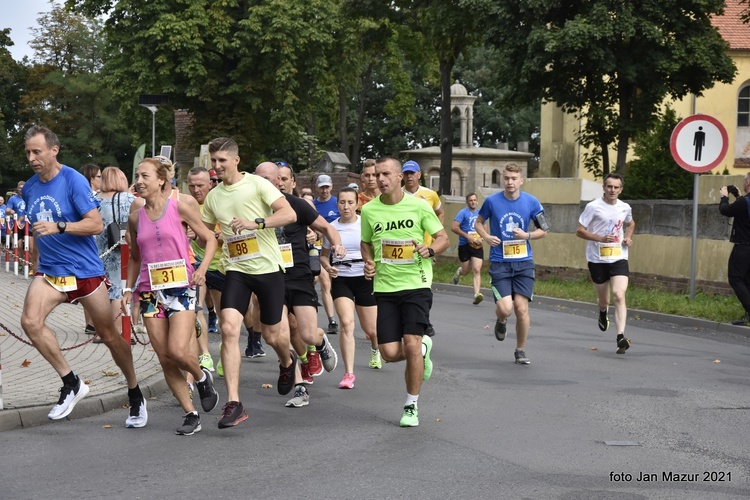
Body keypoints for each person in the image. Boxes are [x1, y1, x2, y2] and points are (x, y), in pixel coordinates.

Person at [19, 125, 147, 426]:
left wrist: (61, 227)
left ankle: (135, 391)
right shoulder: (30, 188)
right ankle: (71, 382)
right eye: (27, 152)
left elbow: (94, 225)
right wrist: (35, 264)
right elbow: (38, 230)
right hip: (50, 272)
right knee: (30, 322)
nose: (32, 158)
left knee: (109, 335)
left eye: (37, 151)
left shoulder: (73, 180)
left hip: (85, 272)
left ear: (54, 150)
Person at [201, 137, 298, 429]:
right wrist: (197, 236)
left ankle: (287, 361)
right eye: (213, 161)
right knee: (229, 328)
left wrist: (257, 222)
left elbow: (288, 213)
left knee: (272, 336)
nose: (217, 166)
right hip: (235, 270)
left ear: (235, 160)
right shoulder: (213, 197)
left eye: (222, 161)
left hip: (267, 267)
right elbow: (206, 231)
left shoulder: (257, 184)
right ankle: (234, 402)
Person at [123, 158, 220, 435]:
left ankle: (202, 378)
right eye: (137, 176)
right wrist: (129, 292)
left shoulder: (179, 208)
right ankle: (190, 413)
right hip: (151, 291)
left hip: (181, 287)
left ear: (161, 180)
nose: (139, 181)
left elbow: (210, 238)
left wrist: (201, 269)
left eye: (145, 176)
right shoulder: (134, 217)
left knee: (178, 351)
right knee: (165, 358)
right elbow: (134, 258)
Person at [360, 156, 449, 427]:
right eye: (377, 174)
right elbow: (366, 244)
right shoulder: (369, 210)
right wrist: (369, 261)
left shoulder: (420, 206)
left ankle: (411, 406)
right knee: (388, 353)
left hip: (416, 285)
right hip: (385, 288)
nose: (380, 179)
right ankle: (423, 349)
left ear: (400, 177)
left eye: (386, 174)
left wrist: (430, 249)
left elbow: (443, 238)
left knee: (409, 343)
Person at [255, 162, 343, 408]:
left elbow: (326, 227)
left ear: (287, 182)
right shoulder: (253, 207)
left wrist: (336, 244)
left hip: (299, 276)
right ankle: (299, 387)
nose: (278, 183)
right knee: (279, 335)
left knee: (306, 333)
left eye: (282, 179)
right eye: (273, 179)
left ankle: (321, 341)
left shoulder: (297, 205)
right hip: (271, 277)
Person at [474, 163, 548, 365]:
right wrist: (487, 237)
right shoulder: (491, 202)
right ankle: (502, 319)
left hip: (524, 262)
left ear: (521, 181)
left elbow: (545, 229)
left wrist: (528, 235)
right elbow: (478, 223)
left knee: (522, 309)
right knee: (506, 308)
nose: (510, 182)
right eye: (506, 178)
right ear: (503, 180)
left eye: (514, 178)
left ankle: (520, 350)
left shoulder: (531, 202)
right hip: (500, 262)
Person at [322, 187, 380, 390]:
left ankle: (375, 348)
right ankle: (349, 374)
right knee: (347, 324)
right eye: (342, 202)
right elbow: (323, 255)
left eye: (350, 202)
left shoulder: (366, 224)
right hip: (342, 279)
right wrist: (329, 267)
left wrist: (372, 265)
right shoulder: (331, 227)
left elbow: (376, 251)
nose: (345, 206)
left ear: (357, 204)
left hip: (364, 279)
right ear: (337, 204)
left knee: (371, 329)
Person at [576, 173, 635, 353]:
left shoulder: (625, 207)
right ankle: (603, 311)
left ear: (621, 189)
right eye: (609, 186)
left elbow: (631, 224)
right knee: (605, 301)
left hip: (618, 257)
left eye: (616, 187)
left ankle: (620, 337)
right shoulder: (593, 207)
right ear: (603, 187)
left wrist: (628, 238)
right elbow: (579, 231)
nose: (612, 190)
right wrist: (600, 238)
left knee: (619, 294)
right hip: (597, 258)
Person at [401, 160, 444, 337]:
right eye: (406, 173)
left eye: (412, 173)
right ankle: (409, 318)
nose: (409, 176)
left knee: (423, 286)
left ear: (419, 175)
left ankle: (423, 319)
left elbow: (440, 212)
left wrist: (435, 233)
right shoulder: (397, 194)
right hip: (401, 249)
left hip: (424, 249)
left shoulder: (430, 194)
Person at [93, 166, 135, 339]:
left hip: (97, 250)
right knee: (119, 290)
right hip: (121, 248)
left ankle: (100, 331)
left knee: (100, 291)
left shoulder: (93, 198)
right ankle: (118, 330)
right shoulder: (129, 199)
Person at [719, 174, 750, 326]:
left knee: (735, 278)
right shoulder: (744, 202)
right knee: (747, 280)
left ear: (749, 182)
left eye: (745, 181)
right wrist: (738, 196)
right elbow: (744, 211)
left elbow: (725, 210)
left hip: (744, 247)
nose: (743, 183)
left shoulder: (744, 202)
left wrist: (724, 197)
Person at [313, 174, 340, 335]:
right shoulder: (313, 205)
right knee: (325, 282)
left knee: (336, 285)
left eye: (327, 187)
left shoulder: (337, 203)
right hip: (319, 248)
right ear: (317, 187)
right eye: (322, 187)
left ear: (331, 186)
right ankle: (332, 320)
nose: (324, 190)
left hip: (337, 249)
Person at [451, 193, 485, 305]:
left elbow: (485, 231)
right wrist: (467, 236)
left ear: (477, 201)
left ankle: (477, 294)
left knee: (476, 269)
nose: (473, 202)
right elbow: (454, 227)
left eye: (475, 200)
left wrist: (482, 238)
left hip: (477, 246)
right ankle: (459, 272)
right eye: (471, 200)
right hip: (465, 244)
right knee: (466, 271)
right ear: (467, 202)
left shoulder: (481, 214)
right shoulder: (463, 213)